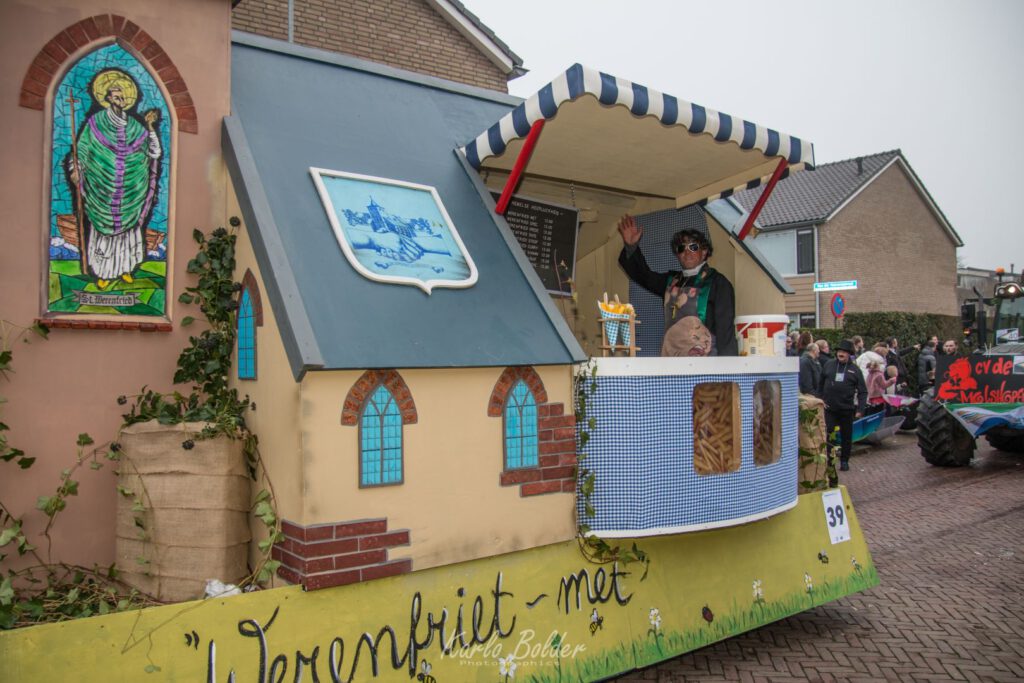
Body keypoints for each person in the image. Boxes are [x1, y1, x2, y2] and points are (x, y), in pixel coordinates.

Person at [67, 69, 162, 289]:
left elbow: (154, 152)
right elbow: (81, 150)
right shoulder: (95, 123)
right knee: (103, 233)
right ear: (108, 98)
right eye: (116, 95)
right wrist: (76, 169)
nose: (120, 99)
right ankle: (102, 272)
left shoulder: (135, 127)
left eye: (122, 96)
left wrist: (150, 128)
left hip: (129, 192)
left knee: (127, 234)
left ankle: (125, 269)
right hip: (102, 190)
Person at [617, 215, 737, 356]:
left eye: (693, 247)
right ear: (677, 254)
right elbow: (643, 275)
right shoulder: (671, 281)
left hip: (706, 364)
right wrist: (631, 246)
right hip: (672, 361)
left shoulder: (718, 283)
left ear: (704, 252)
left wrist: (727, 367)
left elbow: (726, 333)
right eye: (681, 248)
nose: (687, 252)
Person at [819, 339, 867, 472]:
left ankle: (845, 460)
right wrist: (819, 399)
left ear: (849, 354)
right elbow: (820, 384)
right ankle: (830, 460)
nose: (841, 354)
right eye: (839, 351)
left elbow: (863, 391)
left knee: (846, 436)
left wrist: (860, 409)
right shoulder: (829, 365)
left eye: (844, 352)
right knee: (829, 434)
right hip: (830, 408)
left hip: (846, 409)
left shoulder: (855, 370)